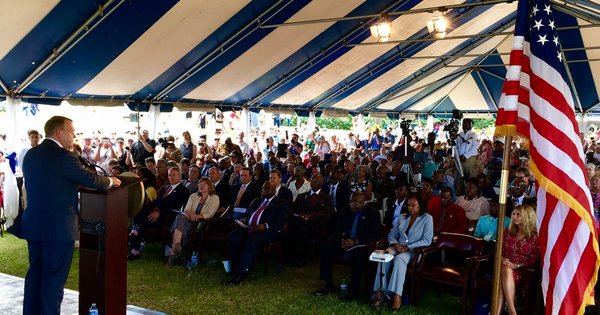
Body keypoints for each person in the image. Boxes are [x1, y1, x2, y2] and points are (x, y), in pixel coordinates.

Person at [21, 116, 121, 315]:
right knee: (52, 283)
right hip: (58, 230)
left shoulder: (31, 154)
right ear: (59, 132)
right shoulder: (63, 157)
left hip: (34, 226)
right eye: (72, 131)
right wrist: (111, 181)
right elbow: (89, 178)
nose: (74, 135)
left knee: (35, 278)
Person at [313, 192, 381, 300]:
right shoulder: (346, 211)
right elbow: (337, 230)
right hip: (345, 244)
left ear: (363, 203)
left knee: (359, 254)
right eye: (351, 202)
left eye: (356, 203)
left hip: (361, 246)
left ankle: (353, 290)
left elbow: (375, 235)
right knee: (325, 247)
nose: (352, 205)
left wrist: (355, 242)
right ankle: (328, 284)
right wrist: (342, 241)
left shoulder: (372, 213)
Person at [372, 193, 433, 310]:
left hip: (414, 251)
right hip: (397, 246)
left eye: (413, 205)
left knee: (400, 259)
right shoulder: (402, 217)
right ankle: (380, 293)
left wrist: (407, 247)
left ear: (420, 205)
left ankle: (397, 296)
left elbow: (427, 240)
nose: (410, 208)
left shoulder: (427, 218)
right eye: (409, 205)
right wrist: (395, 244)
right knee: (385, 256)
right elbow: (392, 234)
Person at [226, 181, 289, 285]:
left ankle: (241, 274)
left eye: (267, 188)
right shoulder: (256, 201)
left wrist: (265, 225)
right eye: (263, 188)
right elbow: (247, 214)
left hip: (268, 231)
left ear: (274, 190)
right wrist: (243, 220)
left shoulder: (281, 203)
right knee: (234, 236)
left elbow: (282, 219)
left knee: (253, 240)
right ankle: (234, 268)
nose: (264, 190)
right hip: (249, 228)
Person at [494, 205, 540, 315]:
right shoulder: (508, 232)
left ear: (527, 216)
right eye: (513, 214)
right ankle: (512, 311)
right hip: (505, 267)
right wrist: (501, 259)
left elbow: (534, 259)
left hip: (524, 270)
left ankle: (504, 311)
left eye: (518, 214)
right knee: (505, 270)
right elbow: (499, 249)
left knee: (503, 274)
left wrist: (516, 265)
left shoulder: (534, 236)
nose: (515, 217)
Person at [167, 177, 220, 266]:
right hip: (188, 219)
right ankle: (177, 245)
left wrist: (197, 216)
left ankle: (174, 250)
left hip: (202, 223)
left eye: (204, 184)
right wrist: (191, 214)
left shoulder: (215, 198)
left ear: (209, 187)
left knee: (178, 223)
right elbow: (186, 210)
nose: (201, 186)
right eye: (200, 184)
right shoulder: (194, 195)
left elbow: (210, 214)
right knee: (180, 216)